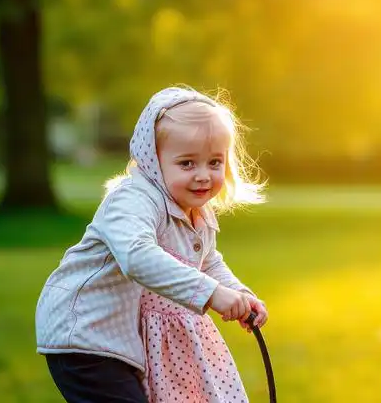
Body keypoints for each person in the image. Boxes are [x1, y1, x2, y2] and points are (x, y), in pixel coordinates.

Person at [35, 86, 269, 403]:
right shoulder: (133, 199)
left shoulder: (197, 212)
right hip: (86, 334)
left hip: (124, 340)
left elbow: (210, 262)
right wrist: (213, 294)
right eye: (187, 163)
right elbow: (137, 255)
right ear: (153, 160)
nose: (203, 175)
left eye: (214, 162)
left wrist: (239, 292)